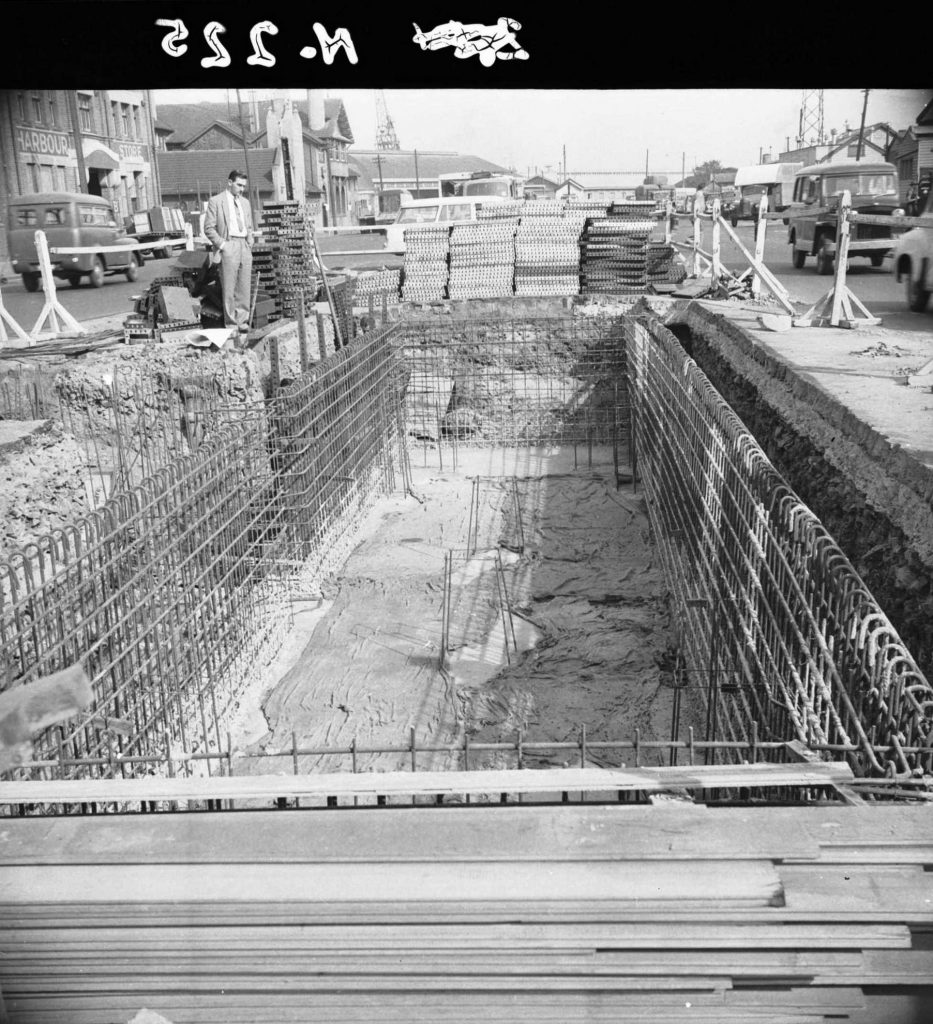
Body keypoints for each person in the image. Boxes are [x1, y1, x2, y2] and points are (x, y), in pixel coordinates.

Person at [204, 170, 254, 338]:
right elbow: (209, 228)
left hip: (244, 246)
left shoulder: (245, 203)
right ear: (229, 182)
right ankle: (231, 324)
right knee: (229, 287)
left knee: (244, 286)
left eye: (244, 186)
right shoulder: (216, 201)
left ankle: (243, 322)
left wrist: (250, 240)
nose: (241, 189)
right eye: (239, 185)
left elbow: (249, 225)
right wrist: (223, 245)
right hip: (229, 244)